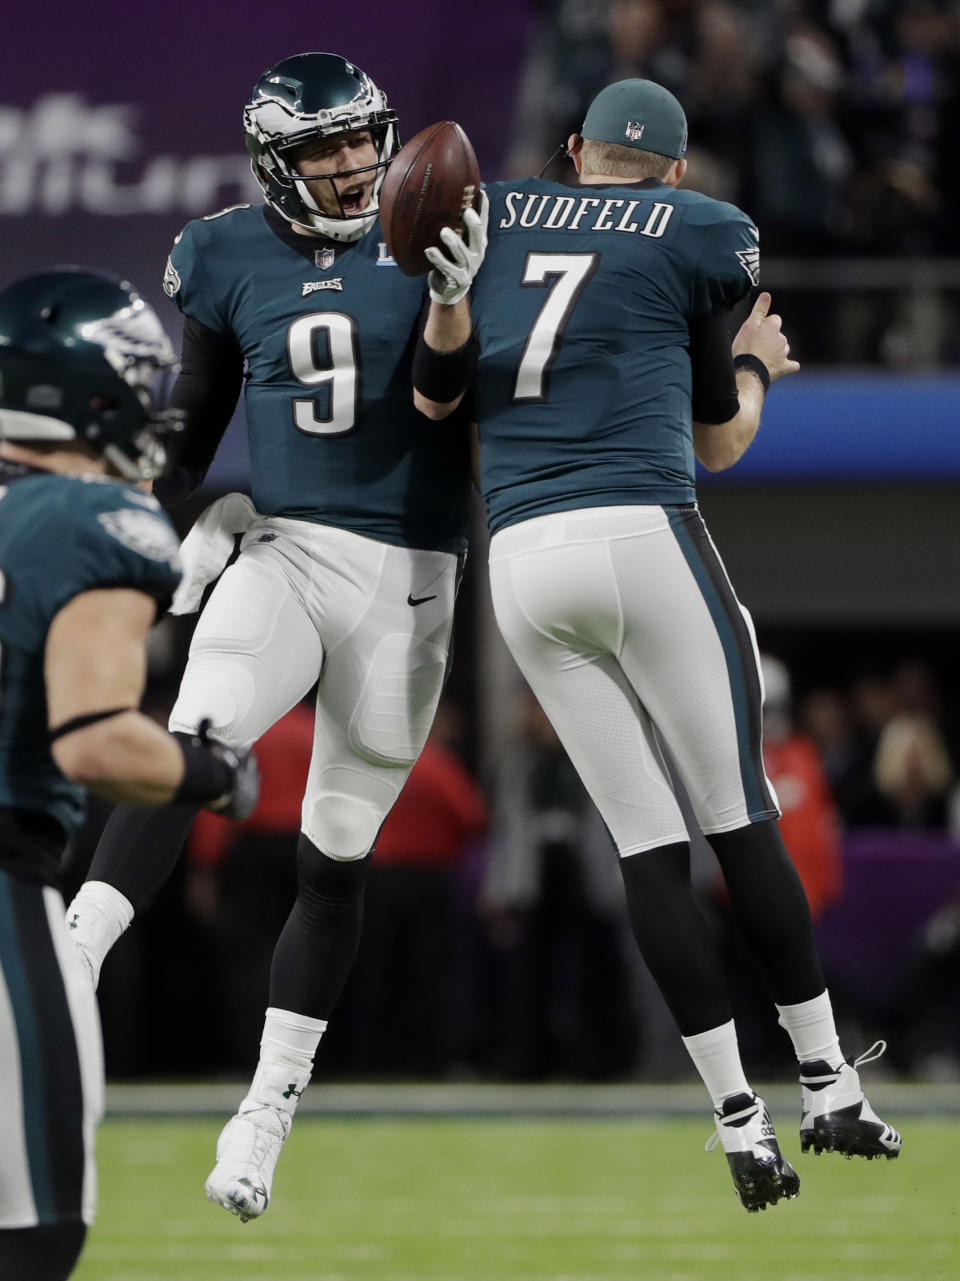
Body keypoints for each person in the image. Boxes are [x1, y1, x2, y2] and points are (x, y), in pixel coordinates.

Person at [415, 78, 901, 1212]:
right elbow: (720, 445)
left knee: (645, 850)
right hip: (642, 530)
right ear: (677, 170)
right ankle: (827, 1085)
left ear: (575, 150)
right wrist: (756, 368)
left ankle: (738, 1120)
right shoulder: (700, 227)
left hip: (526, 558)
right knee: (738, 819)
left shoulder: (494, 215)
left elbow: (439, 397)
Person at [63, 52, 485, 1224]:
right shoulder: (222, 253)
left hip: (413, 573)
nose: (356, 167)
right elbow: (192, 417)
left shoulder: (443, 237)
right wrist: (167, 526)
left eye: (365, 142)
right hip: (289, 546)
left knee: (336, 848)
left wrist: (456, 301)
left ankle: (267, 1106)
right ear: (273, 161)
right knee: (189, 737)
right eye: (326, 150)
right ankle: (69, 963)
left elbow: (457, 411)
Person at [0, 267, 259, 1281]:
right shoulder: (90, 520)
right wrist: (211, 771)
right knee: (36, 1230)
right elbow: (96, 742)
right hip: (5, 885)